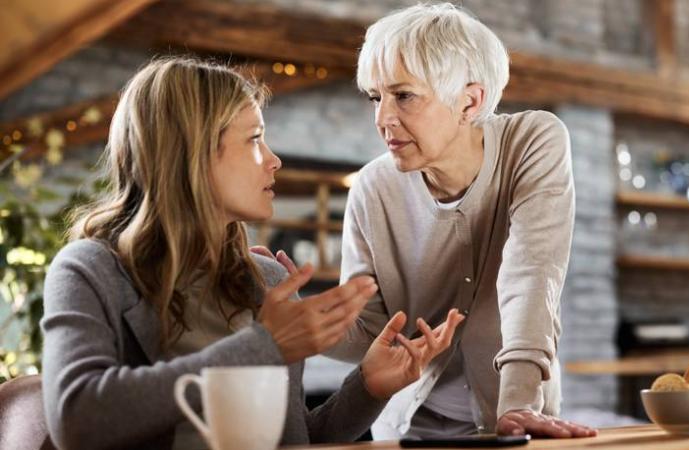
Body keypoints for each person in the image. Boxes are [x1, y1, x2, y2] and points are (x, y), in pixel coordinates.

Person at [40, 57, 463, 450]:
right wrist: (264, 346)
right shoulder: (90, 270)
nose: (273, 160)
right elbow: (76, 418)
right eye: (255, 139)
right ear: (193, 152)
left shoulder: (267, 281)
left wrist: (368, 386)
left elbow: (293, 438)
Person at [321, 3, 597, 439]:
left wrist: (520, 402)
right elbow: (371, 334)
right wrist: (289, 318)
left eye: (404, 96)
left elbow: (532, 273)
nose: (382, 118)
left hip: (512, 422)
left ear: (470, 101)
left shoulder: (533, 143)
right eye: (377, 97)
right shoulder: (372, 188)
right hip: (407, 431)